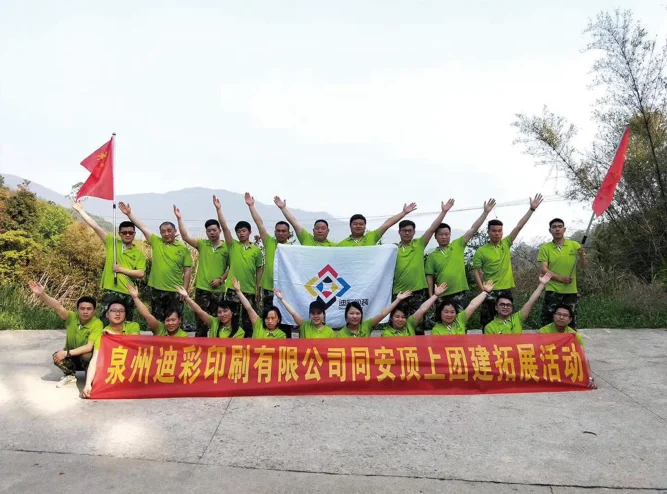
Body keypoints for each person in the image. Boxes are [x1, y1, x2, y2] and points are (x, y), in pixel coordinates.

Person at [473, 194, 543, 329]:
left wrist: (531, 209)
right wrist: (482, 289)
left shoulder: (506, 244)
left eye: (499, 231)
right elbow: (476, 271)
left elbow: (518, 227)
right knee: (488, 322)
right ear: (488, 232)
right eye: (494, 231)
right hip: (490, 290)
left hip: (506, 290)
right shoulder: (481, 251)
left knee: (508, 322)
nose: (497, 233)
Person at [72, 200, 146, 323]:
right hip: (111, 290)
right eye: (124, 232)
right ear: (119, 233)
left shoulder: (138, 253)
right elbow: (95, 226)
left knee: (125, 324)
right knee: (106, 323)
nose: (127, 235)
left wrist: (121, 270)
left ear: (134, 234)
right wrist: (80, 211)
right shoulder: (112, 243)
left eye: (130, 232)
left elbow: (141, 273)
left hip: (128, 292)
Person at [118, 202, 192, 322]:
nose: (166, 233)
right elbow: (142, 227)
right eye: (163, 231)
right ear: (160, 233)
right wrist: (129, 214)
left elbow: (187, 272)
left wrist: (185, 290)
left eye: (169, 230)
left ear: (175, 231)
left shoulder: (183, 250)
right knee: (157, 322)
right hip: (157, 290)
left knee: (175, 322)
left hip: (175, 291)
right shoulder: (157, 242)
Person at [391, 199, 455, 335]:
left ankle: (419, 348)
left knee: (418, 326)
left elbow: (432, 228)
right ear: (399, 232)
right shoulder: (393, 249)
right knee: (399, 325)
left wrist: (444, 212)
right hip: (399, 293)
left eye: (410, 231)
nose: (407, 233)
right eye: (404, 231)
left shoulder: (419, 244)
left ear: (414, 232)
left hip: (418, 293)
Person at [425, 199, 497, 312]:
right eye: (441, 234)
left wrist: (485, 212)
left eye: (446, 234)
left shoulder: (458, 245)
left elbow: (473, 229)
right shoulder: (432, 256)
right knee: (443, 321)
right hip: (441, 294)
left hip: (460, 293)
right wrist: (431, 297)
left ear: (450, 235)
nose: (444, 237)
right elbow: (429, 277)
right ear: (435, 236)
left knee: (461, 320)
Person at [28, 281, 102, 388]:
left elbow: (88, 347)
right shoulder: (71, 317)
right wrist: (42, 294)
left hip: (86, 357)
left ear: (94, 311)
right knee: (57, 356)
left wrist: (66, 353)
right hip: (72, 355)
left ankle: (90, 376)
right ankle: (69, 375)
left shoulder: (97, 323)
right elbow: (57, 307)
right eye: (82, 309)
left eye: (89, 309)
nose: (85, 311)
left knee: (87, 356)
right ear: (77, 310)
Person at [173, 204, 229, 337]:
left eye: (214, 230)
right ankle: (199, 347)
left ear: (220, 230)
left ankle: (216, 347)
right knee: (200, 322)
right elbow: (185, 237)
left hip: (218, 291)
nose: (212, 233)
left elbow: (230, 267)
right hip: (202, 289)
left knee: (218, 323)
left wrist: (221, 279)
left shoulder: (227, 248)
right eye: (209, 231)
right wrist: (179, 219)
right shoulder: (202, 244)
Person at [245, 192, 293, 337]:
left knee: (285, 320)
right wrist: (251, 206)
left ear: (289, 233)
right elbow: (259, 223)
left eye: (284, 231)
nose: (281, 233)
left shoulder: (292, 249)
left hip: (285, 291)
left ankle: (286, 344)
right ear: (274, 232)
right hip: (268, 289)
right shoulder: (269, 242)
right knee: (268, 320)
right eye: (278, 231)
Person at [213, 195, 263, 336]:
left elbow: (260, 269)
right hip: (232, 289)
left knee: (248, 321)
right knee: (231, 320)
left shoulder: (256, 250)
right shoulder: (233, 245)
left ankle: (247, 344)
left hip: (249, 290)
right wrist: (219, 209)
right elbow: (224, 227)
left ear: (249, 232)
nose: (241, 233)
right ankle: (231, 343)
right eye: (239, 231)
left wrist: (257, 288)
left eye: (244, 230)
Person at [81, 299, 141, 398]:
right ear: (107, 315)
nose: (117, 314)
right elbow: (95, 359)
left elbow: (134, 344)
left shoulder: (133, 326)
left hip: (133, 367)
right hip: (115, 370)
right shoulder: (103, 335)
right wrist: (87, 384)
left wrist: (114, 336)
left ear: (125, 315)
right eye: (113, 311)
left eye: (121, 311)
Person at [537, 218, 588, 328]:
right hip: (552, 290)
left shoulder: (575, 245)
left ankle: (569, 339)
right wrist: (561, 279)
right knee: (548, 321)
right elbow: (544, 269)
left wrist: (581, 256)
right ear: (550, 230)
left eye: (560, 227)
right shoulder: (545, 248)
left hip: (571, 291)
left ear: (564, 229)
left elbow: (584, 267)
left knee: (570, 322)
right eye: (554, 227)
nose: (557, 229)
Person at [539, 304, 596, 388]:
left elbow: (582, 357)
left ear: (570, 320)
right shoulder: (544, 331)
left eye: (565, 315)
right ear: (554, 316)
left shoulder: (574, 335)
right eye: (558, 314)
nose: (561, 317)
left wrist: (590, 378)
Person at [484, 272, 552, 335]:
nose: (505, 307)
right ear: (496, 307)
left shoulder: (518, 318)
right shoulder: (489, 327)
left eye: (508, 305)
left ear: (512, 307)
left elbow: (531, 301)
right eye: (502, 304)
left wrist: (542, 284)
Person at [177, 285, 245, 339]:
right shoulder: (214, 322)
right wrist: (187, 298)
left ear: (232, 312)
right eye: (219, 312)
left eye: (225, 311)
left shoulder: (239, 332)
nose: (222, 314)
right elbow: (199, 311)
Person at [381, 282, 447, 336]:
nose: (400, 319)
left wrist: (435, 295)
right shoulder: (386, 334)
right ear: (391, 318)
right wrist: (398, 299)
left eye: (403, 317)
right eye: (397, 317)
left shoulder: (410, 323)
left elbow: (422, 309)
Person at [337, 203, 417, 247]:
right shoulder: (341, 245)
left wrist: (403, 213)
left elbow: (387, 224)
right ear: (350, 226)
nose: (358, 226)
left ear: (365, 226)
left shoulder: (372, 236)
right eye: (355, 224)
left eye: (361, 224)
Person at [338, 292, 412, 338]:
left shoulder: (367, 325)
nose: (355, 316)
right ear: (346, 315)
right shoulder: (340, 335)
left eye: (358, 313)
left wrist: (398, 299)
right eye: (351, 313)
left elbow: (383, 314)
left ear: (361, 315)